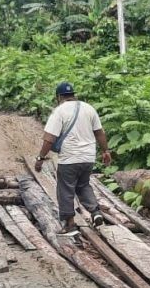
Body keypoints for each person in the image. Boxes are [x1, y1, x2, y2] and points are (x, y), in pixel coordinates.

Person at [34, 82, 112, 235]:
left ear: (58, 97)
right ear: (73, 95)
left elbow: (49, 139)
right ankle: (95, 212)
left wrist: (40, 157)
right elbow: (99, 132)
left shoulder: (59, 111)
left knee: (65, 189)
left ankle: (70, 224)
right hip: (88, 157)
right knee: (83, 185)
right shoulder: (89, 108)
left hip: (70, 158)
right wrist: (105, 151)